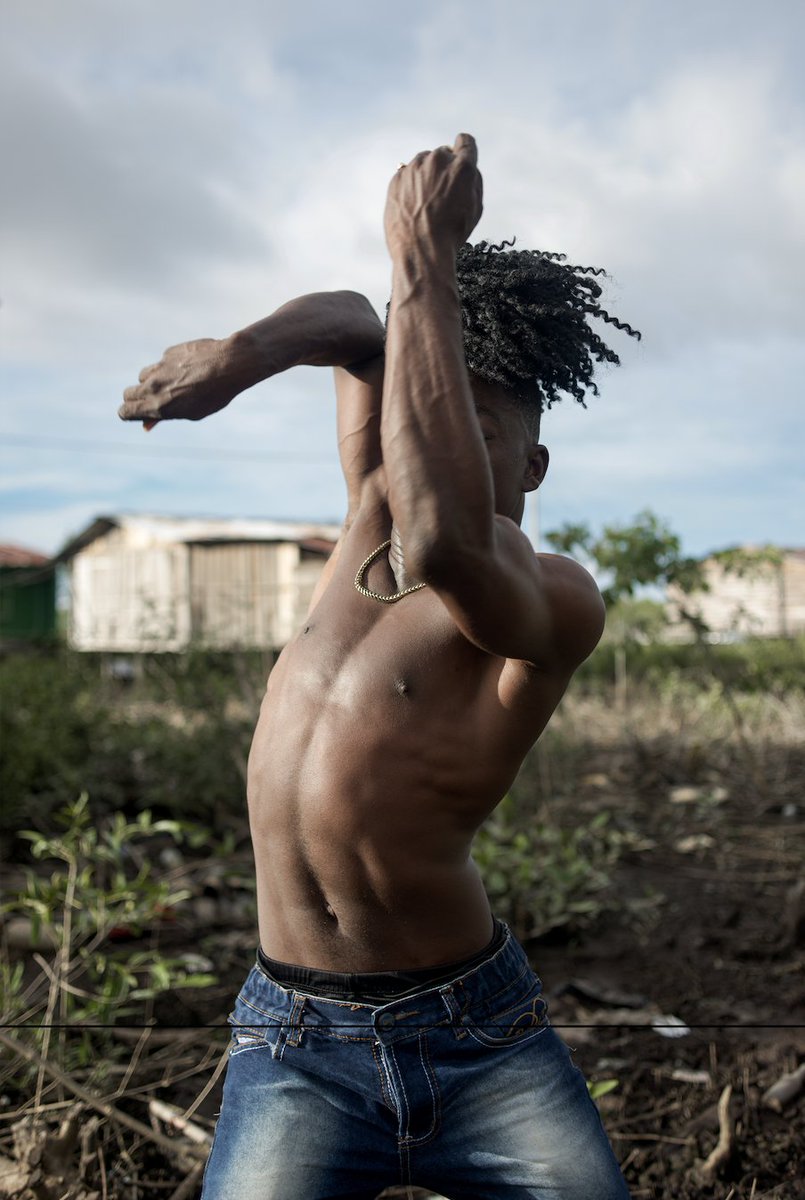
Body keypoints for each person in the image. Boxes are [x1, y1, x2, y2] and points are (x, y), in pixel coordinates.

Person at [120, 133, 638, 1200]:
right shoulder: (370, 516)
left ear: (533, 463)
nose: (409, 451)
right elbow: (359, 325)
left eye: (468, 423)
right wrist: (239, 354)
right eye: (411, 415)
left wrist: (423, 254)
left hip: (476, 1040)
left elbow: (451, 535)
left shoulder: (553, 596)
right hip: (292, 1040)